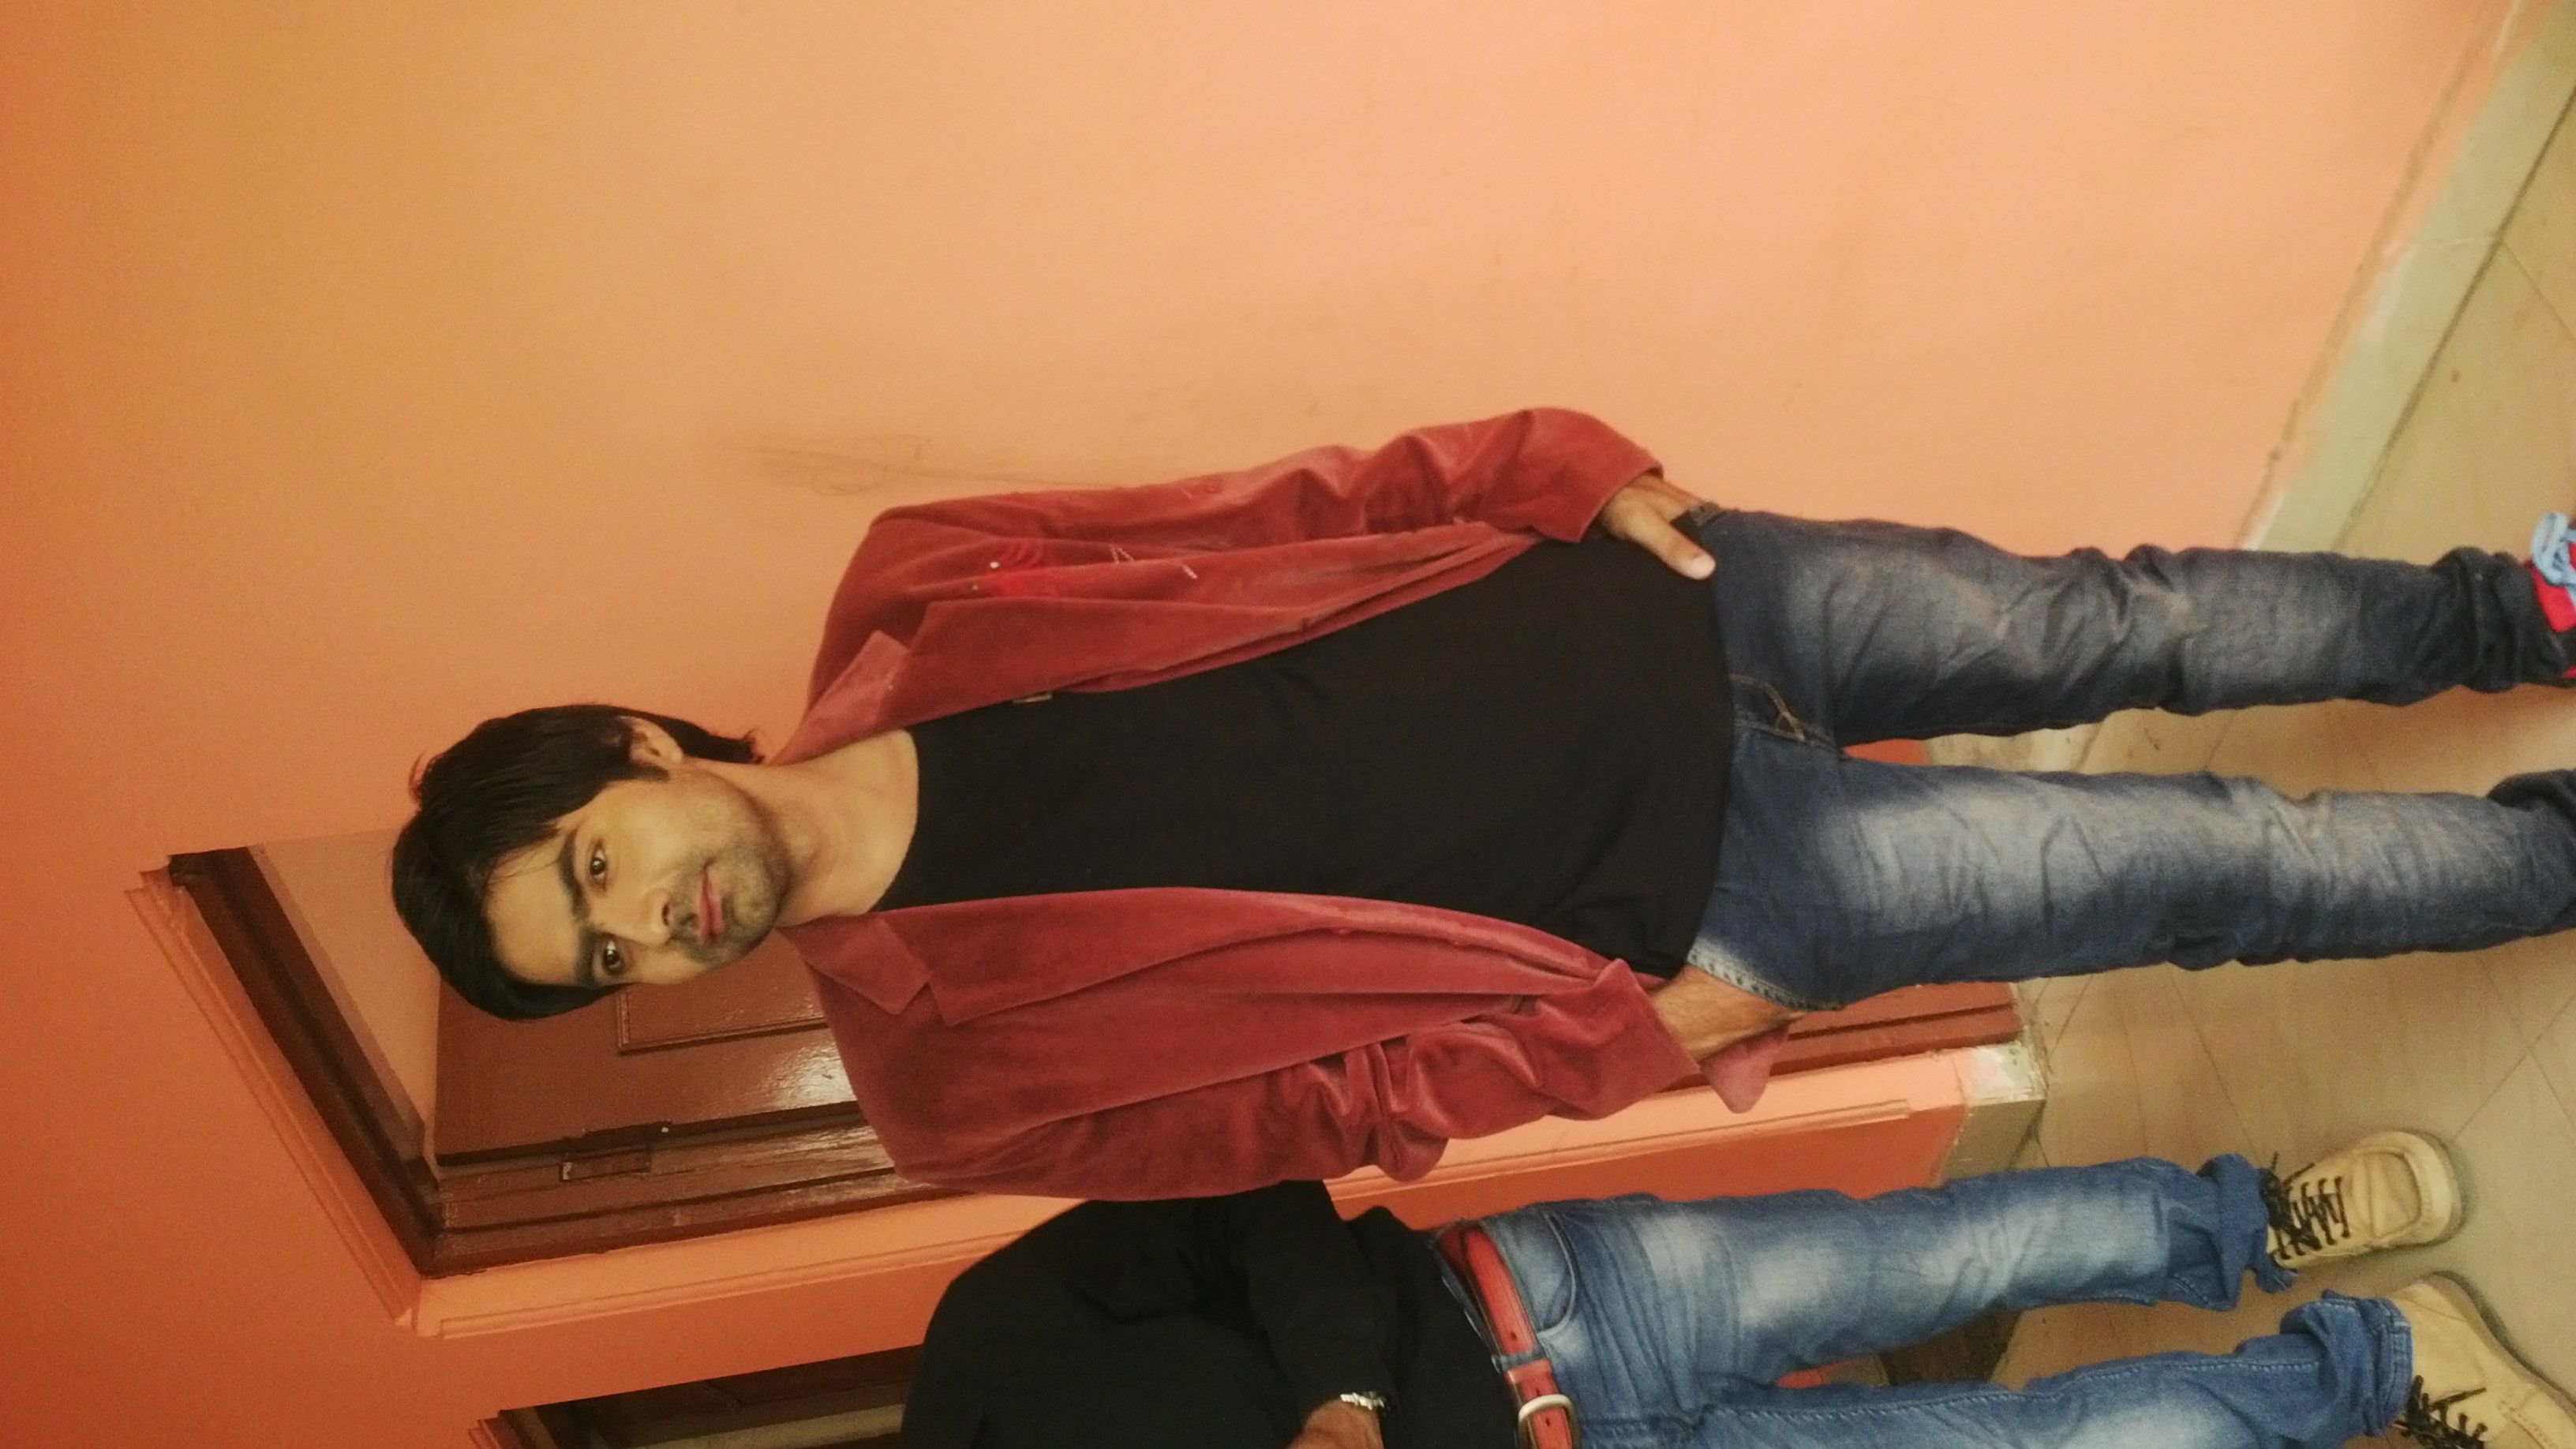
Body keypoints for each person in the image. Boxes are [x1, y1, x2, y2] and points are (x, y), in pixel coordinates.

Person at [391, 409, 2576, 1198]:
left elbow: (1280, 502)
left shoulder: (918, 587)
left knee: (2127, 616)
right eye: (601, 959)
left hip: (1672, 603)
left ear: (636, 754)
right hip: (1698, 890)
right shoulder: (949, 1091)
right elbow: (1330, 1114)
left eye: (596, 867)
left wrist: (1559, 475)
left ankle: (2520, 606)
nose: (647, 923)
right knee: (2217, 865)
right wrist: (1635, 1037)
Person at [900, 1132, 2576, 1449]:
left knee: (1947, 1257)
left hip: (1545, 1308)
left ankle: (2251, 1217)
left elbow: (1248, 1201)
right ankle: (2375, 1367)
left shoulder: (987, 1345)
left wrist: (1340, 1400)